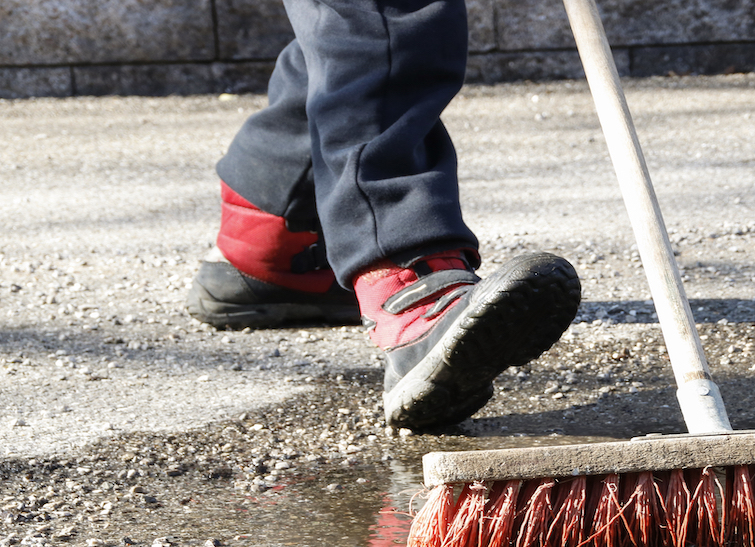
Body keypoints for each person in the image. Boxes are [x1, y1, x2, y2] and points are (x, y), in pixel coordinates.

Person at [184, 0, 581, 431]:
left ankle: (276, 235)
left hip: (292, 243)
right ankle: (402, 275)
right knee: (386, 14)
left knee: (349, 28)